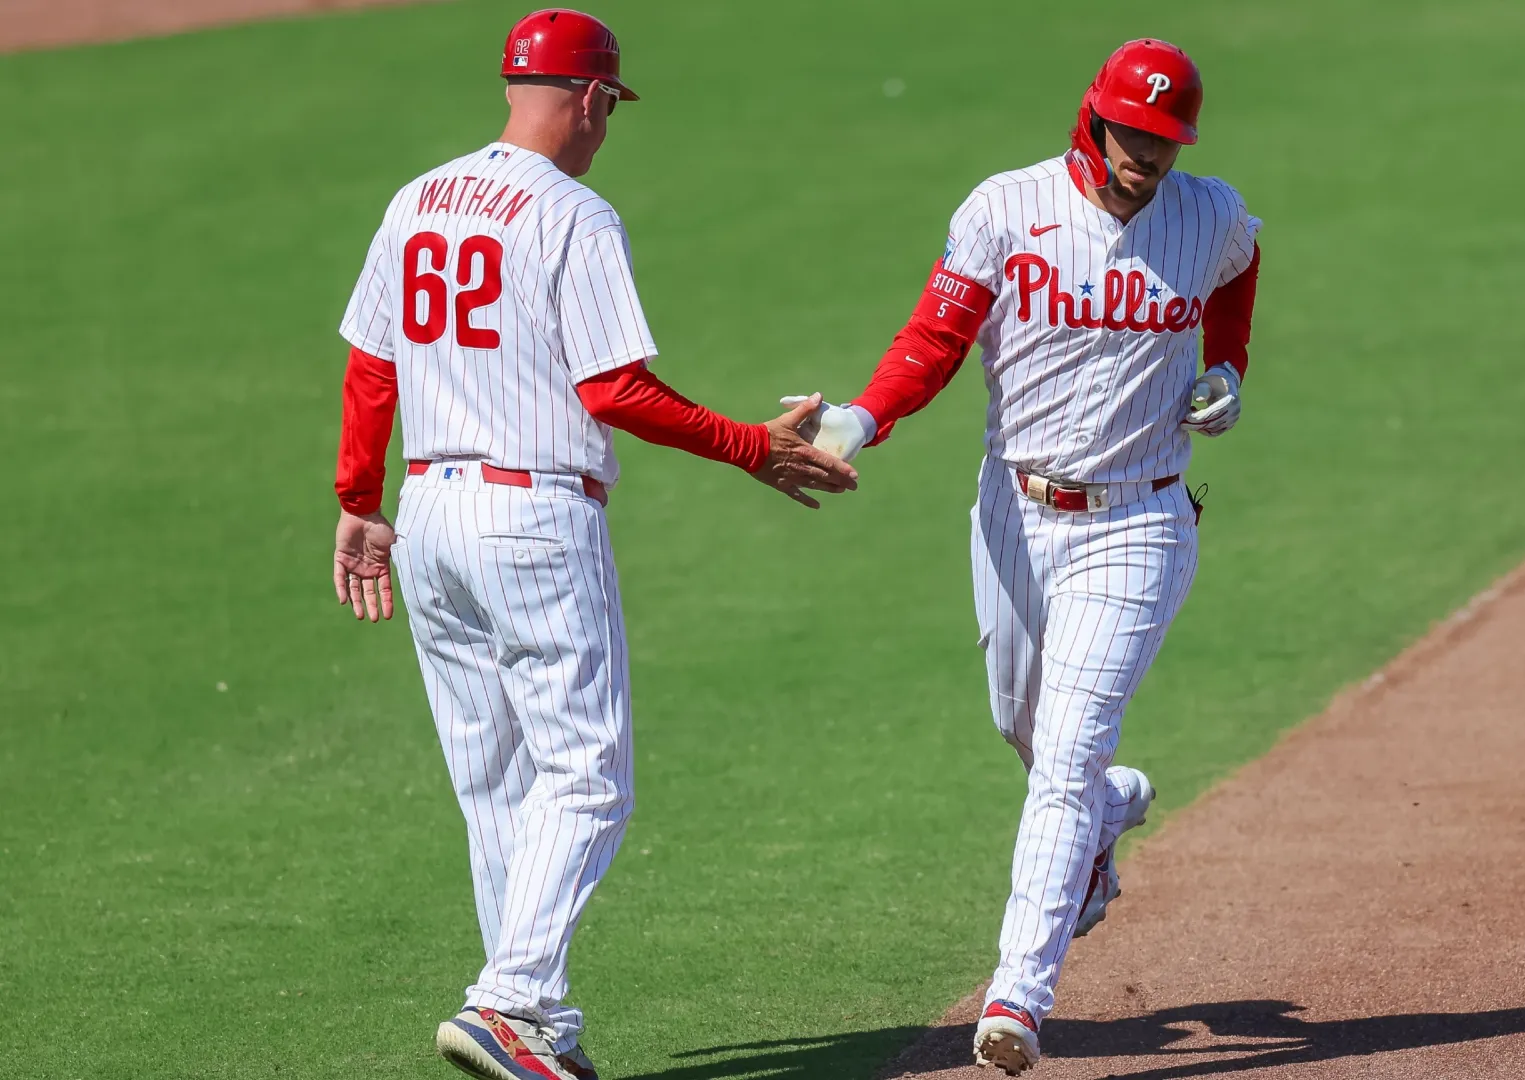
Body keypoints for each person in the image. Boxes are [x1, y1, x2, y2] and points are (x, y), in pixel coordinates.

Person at [328, 10, 858, 1079]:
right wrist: (748, 445)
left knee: (499, 789)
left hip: (427, 516)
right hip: (530, 519)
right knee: (588, 777)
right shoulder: (574, 213)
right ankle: (511, 1001)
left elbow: (372, 365)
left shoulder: (415, 197)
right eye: (609, 105)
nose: (607, 124)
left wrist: (357, 498)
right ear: (586, 98)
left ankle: (538, 1025)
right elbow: (612, 388)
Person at [791, 38, 1260, 1075]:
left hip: (1140, 520)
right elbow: (935, 339)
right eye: (1133, 132)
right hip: (1014, 510)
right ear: (1092, 118)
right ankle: (1107, 818)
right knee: (1025, 727)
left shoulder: (1208, 213)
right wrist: (865, 417)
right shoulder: (1006, 209)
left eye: (1167, 138)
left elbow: (1241, 266)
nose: (1147, 154)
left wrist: (1226, 364)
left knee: (1065, 753)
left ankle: (1019, 994)